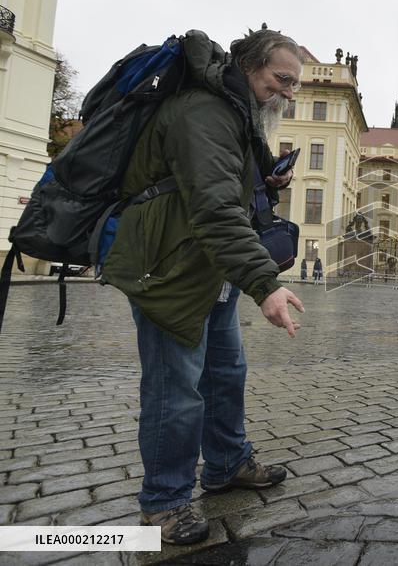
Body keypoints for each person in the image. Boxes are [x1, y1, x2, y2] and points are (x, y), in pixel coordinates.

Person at [100, 28, 306, 545]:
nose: (288, 92)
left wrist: (264, 179)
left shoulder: (236, 112)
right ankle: (164, 503)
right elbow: (214, 209)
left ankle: (227, 463)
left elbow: (224, 189)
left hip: (206, 267)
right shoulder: (204, 111)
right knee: (176, 389)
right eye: (282, 80)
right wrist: (265, 285)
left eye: (295, 85)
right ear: (249, 66)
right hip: (168, 267)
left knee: (224, 371)